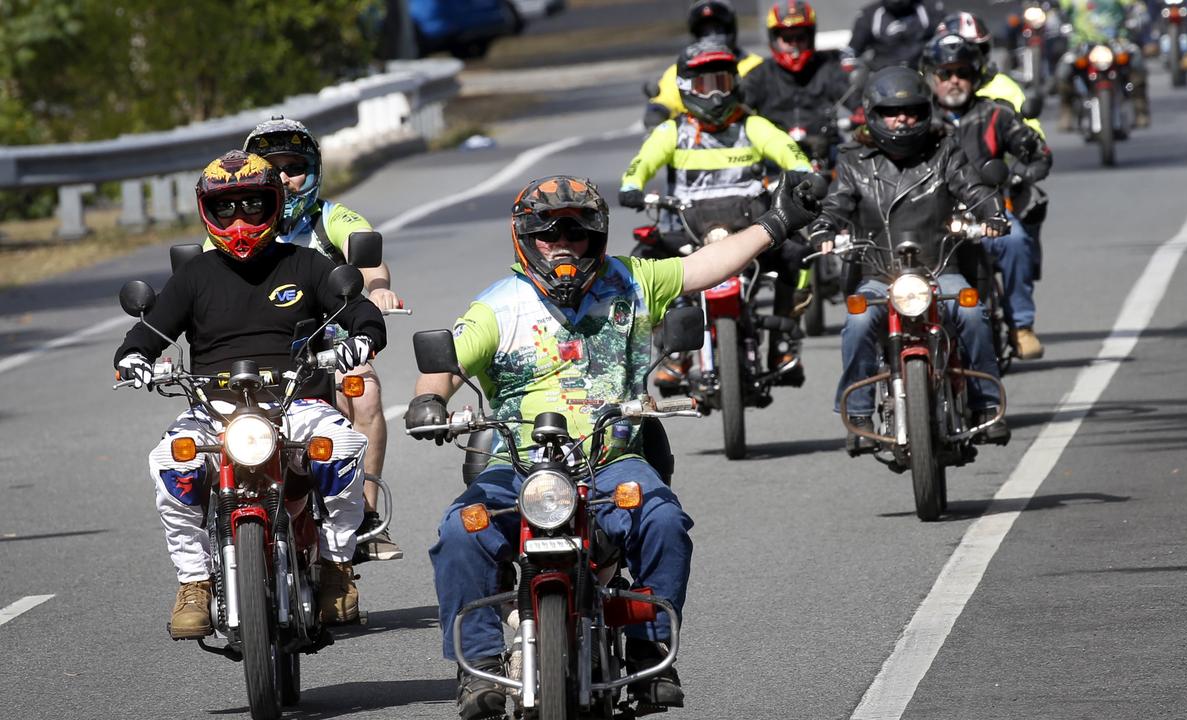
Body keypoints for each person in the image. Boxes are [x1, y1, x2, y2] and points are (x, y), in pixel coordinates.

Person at [405, 172, 821, 720]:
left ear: (597, 238)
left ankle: (651, 653)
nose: (563, 246)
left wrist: (779, 221)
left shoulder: (633, 282)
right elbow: (447, 365)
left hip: (612, 461)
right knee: (461, 531)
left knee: (664, 522)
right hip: (520, 469)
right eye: (549, 234)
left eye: (576, 235)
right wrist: (428, 402)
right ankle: (477, 668)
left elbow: (707, 266)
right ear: (526, 238)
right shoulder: (497, 307)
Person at [115, 150, 387, 637]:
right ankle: (194, 581)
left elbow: (362, 314)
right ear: (208, 212)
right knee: (168, 461)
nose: (239, 219)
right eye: (226, 208)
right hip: (212, 408)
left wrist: (361, 340)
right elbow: (146, 335)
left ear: (275, 204)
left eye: (252, 205)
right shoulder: (194, 276)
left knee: (344, 447)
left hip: (294, 401)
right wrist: (134, 360)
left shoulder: (305, 264)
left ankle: (336, 568)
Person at [807, 67, 1010, 456]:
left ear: (925, 112)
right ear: (872, 114)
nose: (902, 119)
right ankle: (861, 415)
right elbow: (837, 203)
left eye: (912, 111)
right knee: (858, 320)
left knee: (971, 313)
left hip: (940, 269)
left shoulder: (945, 150)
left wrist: (992, 216)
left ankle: (987, 404)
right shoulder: (853, 159)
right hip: (878, 273)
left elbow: (973, 187)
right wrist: (823, 230)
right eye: (890, 112)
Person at [242, 116, 403, 563]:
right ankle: (210, 540)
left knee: (365, 394)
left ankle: (366, 517)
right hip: (253, 352)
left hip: (328, 347)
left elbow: (367, 258)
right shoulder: (231, 223)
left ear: (312, 171)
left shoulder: (331, 217)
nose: (284, 179)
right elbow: (200, 277)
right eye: (272, 168)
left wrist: (377, 289)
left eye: (294, 167)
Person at [621, 39, 815, 387]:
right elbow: (640, 164)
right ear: (684, 88)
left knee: (799, 255)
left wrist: (802, 171)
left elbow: (787, 150)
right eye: (704, 86)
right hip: (688, 229)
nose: (714, 95)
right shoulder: (672, 131)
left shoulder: (752, 125)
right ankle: (671, 351)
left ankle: (784, 342)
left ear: (735, 84)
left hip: (751, 229)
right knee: (643, 263)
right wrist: (631, 187)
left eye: (722, 83)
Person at [925, 33, 1053, 359]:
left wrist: (1021, 172)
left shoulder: (995, 114)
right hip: (927, 218)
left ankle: (1021, 326)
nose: (955, 81)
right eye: (946, 73)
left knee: (1015, 241)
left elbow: (1038, 153)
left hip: (987, 215)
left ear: (975, 75)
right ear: (931, 76)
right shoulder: (915, 119)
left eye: (962, 73)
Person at [740, 1, 862, 169]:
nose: (794, 43)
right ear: (774, 39)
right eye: (787, 38)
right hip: (774, 162)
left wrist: (862, 111)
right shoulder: (759, 74)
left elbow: (857, 99)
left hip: (826, 158)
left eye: (800, 37)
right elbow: (738, 108)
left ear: (810, 37)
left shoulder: (828, 67)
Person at [645, 0, 764, 128]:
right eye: (705, 32)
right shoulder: (682, 71)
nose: (712, 37)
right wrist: (656, 116)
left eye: (718, 30)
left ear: (730, 31)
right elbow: (663, 103)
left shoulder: (756, 67)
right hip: (695, 141)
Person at [935, 11, 1045, 139]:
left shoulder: (1004, 88)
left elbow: (1033, 138)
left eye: (971, 53)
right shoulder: (924, 88)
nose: (955, 78)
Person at [1055, 0, 1150, 130]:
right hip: (1081, 43)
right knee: (1064, 70)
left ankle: (1140, 109)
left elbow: (1134, 6)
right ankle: (1067, 110)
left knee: (1136, 60)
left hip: (1116, 41)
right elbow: (1058, 10)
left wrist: (1138, 14)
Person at [847, 0, 945, 71]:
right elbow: (852, 51)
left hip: (923, 73)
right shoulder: (869, 14)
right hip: (883, 78)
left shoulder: (930, 8)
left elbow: (946, 38)